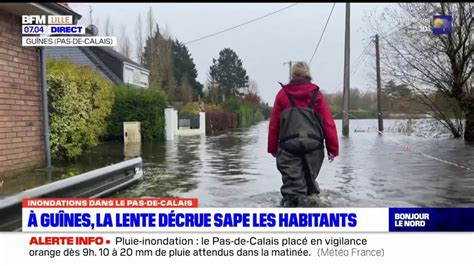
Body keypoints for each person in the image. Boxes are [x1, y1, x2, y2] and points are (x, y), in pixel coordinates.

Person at [267, 62, 339, 207]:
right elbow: (328, 123)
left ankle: (292, 219)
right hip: (314, 148)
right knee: (310, 186)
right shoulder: (316, 95)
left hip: (288, 148)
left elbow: (274, 125)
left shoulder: (282, 95)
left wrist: (273, 148)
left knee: (293, 191)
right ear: (308, 74)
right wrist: (333, 149)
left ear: (292, 75)